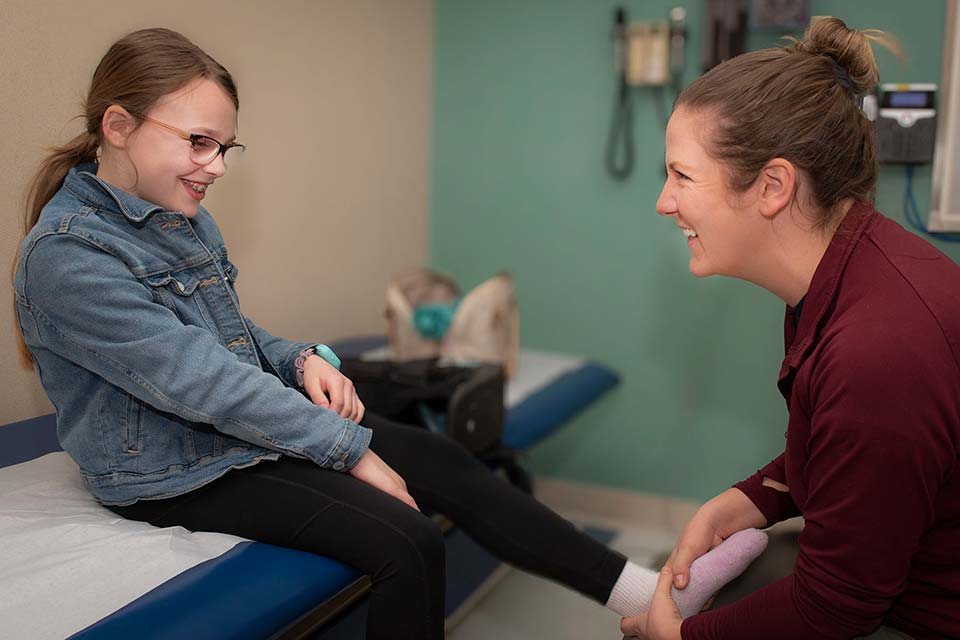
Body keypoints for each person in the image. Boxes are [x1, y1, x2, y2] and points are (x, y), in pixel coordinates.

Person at [12, 28, 767, 639]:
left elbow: (227, 335)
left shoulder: (177, 213)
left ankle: (651, 594)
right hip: (168, 471)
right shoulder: (69, 257)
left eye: (224, 149)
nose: (216, 168)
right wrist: (351, 451)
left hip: (220, 436)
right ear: (118, 126)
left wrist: (299, 358)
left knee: (447, 459)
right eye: (199, 142)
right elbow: (193, 378)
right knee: (407, 539)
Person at [621, 16, 960, 640]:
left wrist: (678, 638)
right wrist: (757, 497)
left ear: (773, 186)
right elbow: (853, 456)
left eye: (682, 175)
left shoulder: (875, 350)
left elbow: (838, 605)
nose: (665, 202)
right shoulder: (852, 272)